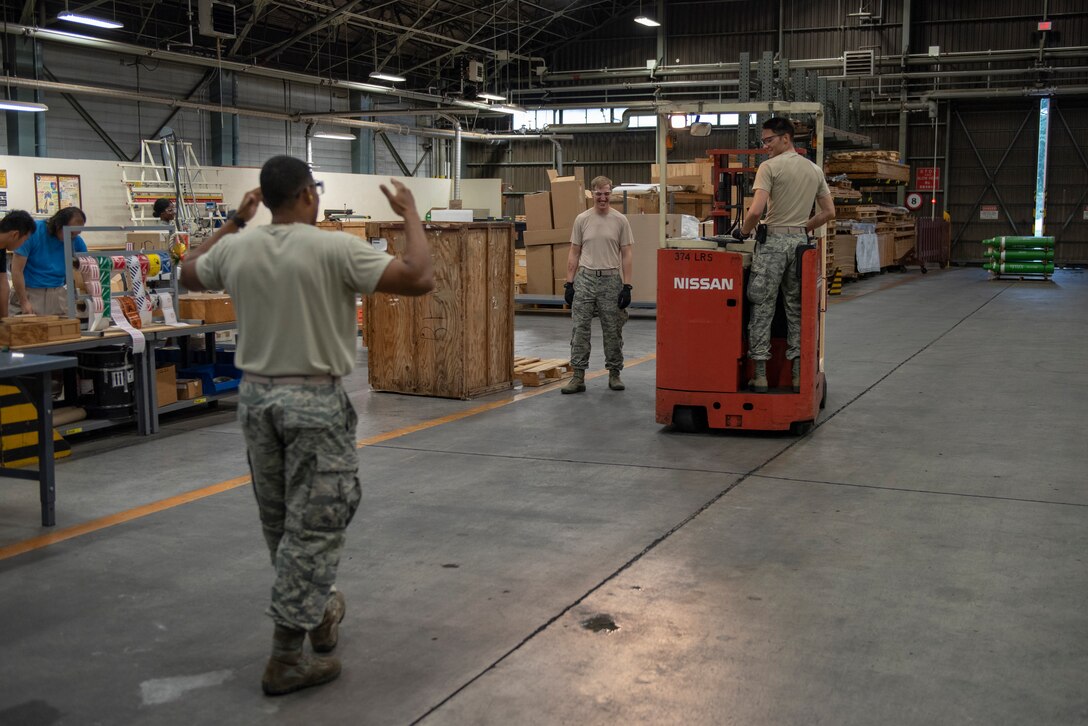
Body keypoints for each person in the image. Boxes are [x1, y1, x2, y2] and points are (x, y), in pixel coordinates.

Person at [180, 155, 434, 697]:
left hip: (255, 400)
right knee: (314, 528)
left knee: (281, 524)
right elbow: (419, 276)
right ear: (306, 196)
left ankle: (318, 616)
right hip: (313, 402)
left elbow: (186, 270)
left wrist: (231, 222)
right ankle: (284, 658)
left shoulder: (236, 248)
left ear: (263, 200)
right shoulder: (333, 248)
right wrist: (411, 214)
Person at [734, 117, 835, 393]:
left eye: (768, 140)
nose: (765, 146)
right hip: (801, 246)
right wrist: (804, 228)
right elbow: (829, 212)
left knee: (762, 308)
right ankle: (797, 374)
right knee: (796, 309)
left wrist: (743, 233)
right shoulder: (814, 170)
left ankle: (761, 376)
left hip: (773, 242)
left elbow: (755, 211)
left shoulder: (769, 167)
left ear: (785, 138)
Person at [561, 175, 634, 394]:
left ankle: (614, 373)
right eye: (599, 194)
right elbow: (574, 251)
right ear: (592, 194)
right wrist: (569, 283)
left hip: (611, 279)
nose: (603, 198)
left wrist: (627, 286)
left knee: (613, 330)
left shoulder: (620, 220)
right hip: (585, 279)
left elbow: (627, 253)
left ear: (611, 193)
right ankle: (578, 376)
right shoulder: (582, 219)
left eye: (607, 194)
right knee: (580, 329)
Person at [11, 206, 89, 316]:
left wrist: (95, 296)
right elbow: (16, 270)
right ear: (58, 225)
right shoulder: (34, 232)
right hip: (30, 293)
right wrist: (24, 302)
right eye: (70, 233)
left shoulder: (75, 240)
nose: (73, 237)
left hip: (57, 293)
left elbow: (88, 270)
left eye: (77, 234)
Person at [0, 210, 37, 318]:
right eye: (25, 240)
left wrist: (4, 319)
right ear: (15, 234)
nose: (23, 244)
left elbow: (2, 283)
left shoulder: (1, 248)